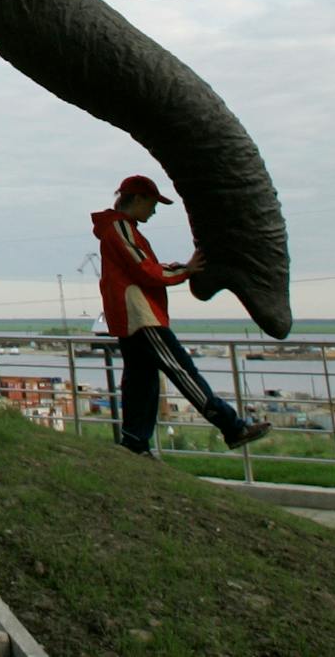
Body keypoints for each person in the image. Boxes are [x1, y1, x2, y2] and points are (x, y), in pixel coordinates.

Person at [93, 174, 273, 458]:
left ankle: (135, 442)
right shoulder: (120, 227)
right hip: (141, 316)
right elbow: (145, 270)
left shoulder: (117, 229)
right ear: (137, 199)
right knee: (182, 371)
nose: (154, 210)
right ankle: (232, 427)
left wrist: (179, 268)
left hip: (130, 318)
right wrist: (185, 271)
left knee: (141, 380)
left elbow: (142, 266)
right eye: (152, 203)